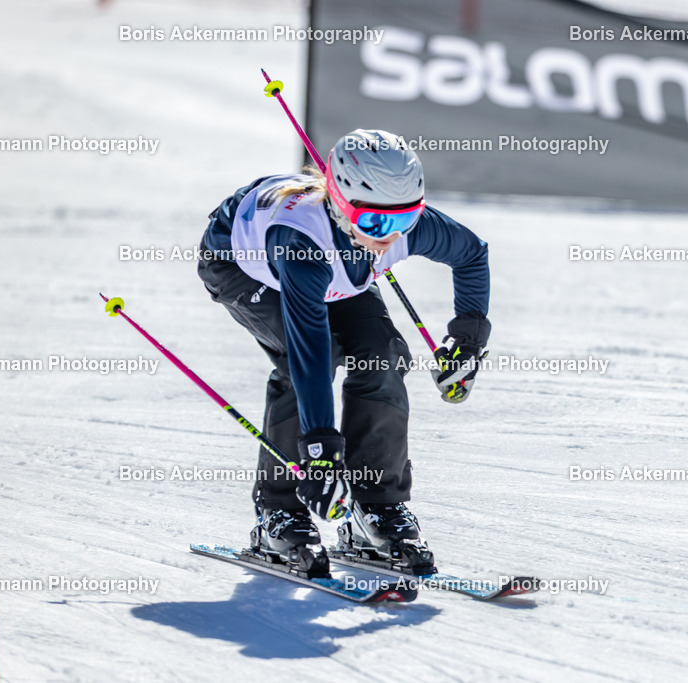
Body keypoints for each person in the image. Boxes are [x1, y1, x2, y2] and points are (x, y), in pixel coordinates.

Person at [197, 129, 491, 577]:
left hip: (338, 263)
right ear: (339, 204)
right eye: (376, 223)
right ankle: (280, 513)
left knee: (384, 354)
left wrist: (467, 339)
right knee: (311, 359)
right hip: (243, 266)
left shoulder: (390, 229)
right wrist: (319, 451)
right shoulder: (300, 244)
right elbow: (308, 353)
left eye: (406, 220)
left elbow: (471, 254)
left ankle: (375, 507)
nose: (389, 238)